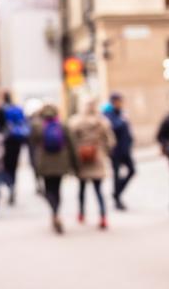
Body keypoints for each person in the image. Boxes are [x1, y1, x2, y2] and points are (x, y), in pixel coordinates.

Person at [69, 97, 115, 230]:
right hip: (97, 157)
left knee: (82, 189)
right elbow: (110, 141)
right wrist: (104, 152)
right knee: (98, 190)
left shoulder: (76, 121)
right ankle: (103, 216)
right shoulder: (102, 122)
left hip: (82, 158)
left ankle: (82, 213)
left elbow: (71, 140)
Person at [30, 104, 77, 234]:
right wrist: (75, 166)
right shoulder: (62, 126)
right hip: (61, 163)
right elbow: (72, 145)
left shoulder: (37, 126)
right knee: (57, 189)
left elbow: (32, 145)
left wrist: (34, 165)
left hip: (44, 163)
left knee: (48, 189)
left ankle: (54, 212)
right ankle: (56, 213)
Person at [104, 92, 135, 210]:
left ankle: (117, 192)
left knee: (132, 171)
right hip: (115, 151)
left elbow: (127, 130)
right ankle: (117, 198)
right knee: (116, 175)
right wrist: (122, 121)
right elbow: (113, 127)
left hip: (125, 149)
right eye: (118, 101)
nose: (120, 103)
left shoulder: (121, 113)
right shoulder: (108, 114)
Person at [0, 92, 29, 205]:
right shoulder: (18, 109)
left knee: (5, 167)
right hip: (17, 142)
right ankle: (13, 186)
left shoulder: (0, 110)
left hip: (5, 143)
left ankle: (9, 185)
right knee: (14, 166)